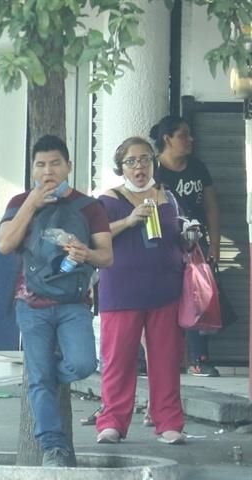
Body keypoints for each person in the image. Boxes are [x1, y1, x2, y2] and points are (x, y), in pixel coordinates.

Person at [0, 134, 113, 467]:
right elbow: (5, 244)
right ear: (33, 168)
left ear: (69, 167)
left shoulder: (89, 207)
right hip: (30, 305)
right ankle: (53, 447)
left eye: (55, 163)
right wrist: (32, 204)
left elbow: (107, 257)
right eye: (41, 164)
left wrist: (86, 252)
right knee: (41, 379)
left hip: (74, 302)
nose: (48, 171)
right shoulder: (20, 201)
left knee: (82, 365)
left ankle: (43, 378)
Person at [95, 137, 188, 445]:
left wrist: (189, 236)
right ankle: (112, 422)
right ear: (120, 167)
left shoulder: (168, 198)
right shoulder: (108, 200)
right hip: (121, 291)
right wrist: (129, 220)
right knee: (118, 360)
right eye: (131, 161)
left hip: (164, 290)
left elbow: (178, 236)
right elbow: (95, 238)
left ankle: (169, 421)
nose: (139, 167)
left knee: (165, 359)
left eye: (145, 159)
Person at [151, 115, 223, 377]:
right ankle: (157, 358)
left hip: (196, 244)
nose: (190, 140)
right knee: (163, 299)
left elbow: (212, 207)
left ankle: (198, 359)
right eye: (183, 135)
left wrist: (214, 245)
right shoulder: (155, 171)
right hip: (165, 245)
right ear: (167, 139)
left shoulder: (198, 168)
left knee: (198, 296)